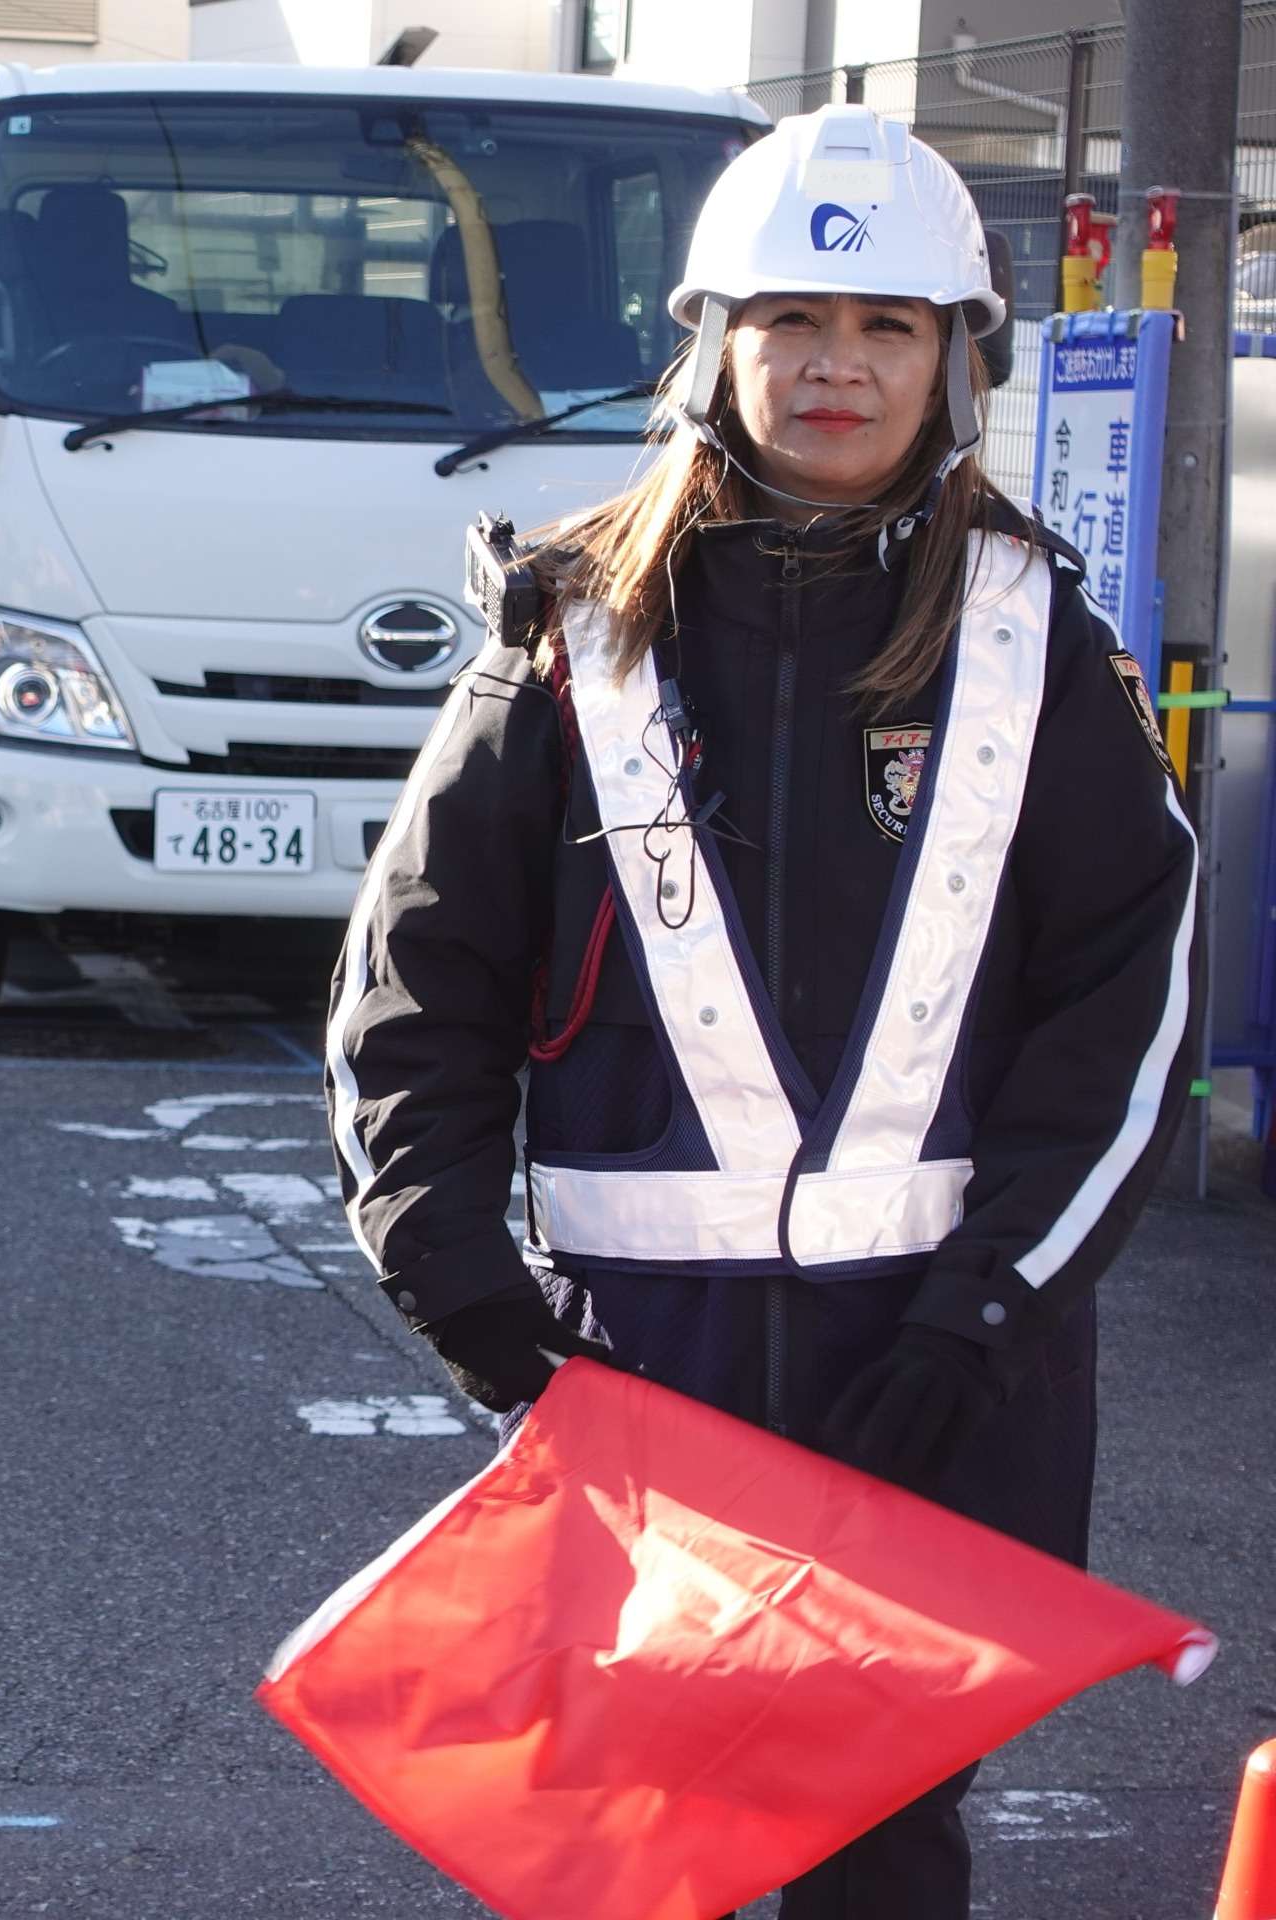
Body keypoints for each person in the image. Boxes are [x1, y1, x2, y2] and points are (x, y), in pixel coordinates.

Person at [324, 104, 1202, 1919]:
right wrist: (481, 1312)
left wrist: (987, 1316)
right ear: (713, 345)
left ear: (961, 360)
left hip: (944, 1367)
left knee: (887, 1842)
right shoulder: (568, 635)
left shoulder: (1044, 642)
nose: (835, 366)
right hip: (647, 1368)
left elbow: (1119, 1021)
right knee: (644, 1848)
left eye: (889, 325)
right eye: (792, 320)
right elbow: (418, 991)